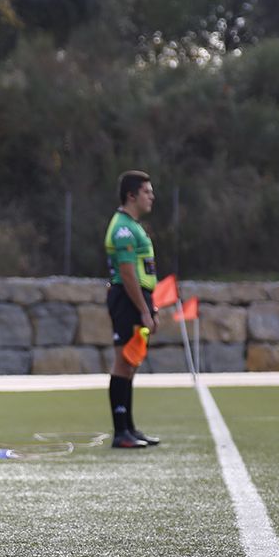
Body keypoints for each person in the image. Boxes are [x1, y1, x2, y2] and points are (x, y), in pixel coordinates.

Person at [105, 170, 162, 449]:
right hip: (127, 299)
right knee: (123, 362)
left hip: (138, 299)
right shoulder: (123, 228)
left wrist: (152, 307)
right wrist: (143, 310)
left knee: (132, 362)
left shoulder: (134, 226)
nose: (151, 197)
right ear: (131, 195)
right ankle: (120, 431)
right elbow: (128, 273)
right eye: (146, 192)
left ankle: (129, 427)